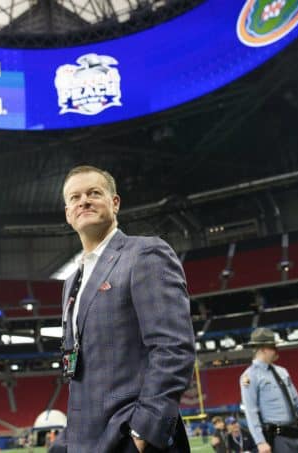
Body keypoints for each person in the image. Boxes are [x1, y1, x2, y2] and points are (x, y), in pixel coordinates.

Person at [50, 165, 195, 453]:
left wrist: (143, 433)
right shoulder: (71, 282)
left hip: (131, 436)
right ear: (68, 213)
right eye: (75, 197)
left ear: (115, 203)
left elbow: (173, 347)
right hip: (87, 438)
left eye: (94, 193)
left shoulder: (145, 254)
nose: (84, 201)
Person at [240, 328, 298, 453]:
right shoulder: (249, 376)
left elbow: (297, 402)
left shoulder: (282, 371)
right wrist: (260, 441)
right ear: (262, 349)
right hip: (278, 437)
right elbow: (251, 412)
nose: (277, 350)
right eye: (273, 347)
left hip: (297, 434)